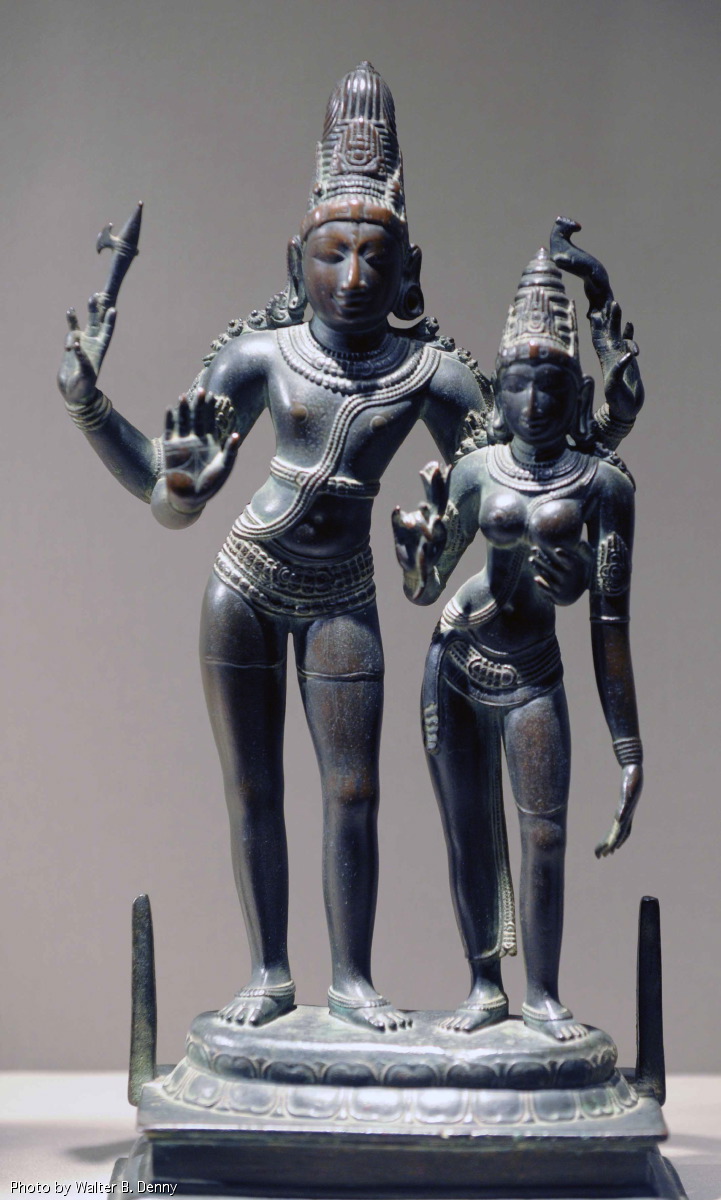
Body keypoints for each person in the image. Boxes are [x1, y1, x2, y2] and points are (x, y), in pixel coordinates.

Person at [57, 63, 487, 1031]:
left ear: (409, 269)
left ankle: (352, 982)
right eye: (332, 255)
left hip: (343, 593)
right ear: (296, 264)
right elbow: (169, 494)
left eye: (374, 257)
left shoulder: (431, 374)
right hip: (245, 584)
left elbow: (501, 482)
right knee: (252, 788)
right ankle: (269, 973)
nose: (353, 278)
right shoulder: (261, 358)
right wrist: (94, 412)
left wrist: (441, 550)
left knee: (354, 791)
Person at [393, 237, 644, 1040]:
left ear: (577, 394)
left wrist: (628, 749)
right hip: (455, 660)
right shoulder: (477, 471)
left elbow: (610, 626)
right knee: (468, 833)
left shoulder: (602, 487)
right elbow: (425, 588)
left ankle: (541, 993)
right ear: (497, 394)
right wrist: (417, 563)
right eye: (519, 382)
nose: (534, 400)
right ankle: (483, 987)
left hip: (534, 672)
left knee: (543, 836)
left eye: (551, 384)